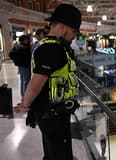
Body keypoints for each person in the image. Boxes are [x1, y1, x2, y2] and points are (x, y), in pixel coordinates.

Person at [14, 4, 82, 160]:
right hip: (53, 115)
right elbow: (36, 82)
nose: (74, 37)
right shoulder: (53, 49)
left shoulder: (47, 45)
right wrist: (26, 104)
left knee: (52, 150)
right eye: (74, 32)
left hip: (52, 113)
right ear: (64, 27)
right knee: (59, 154)